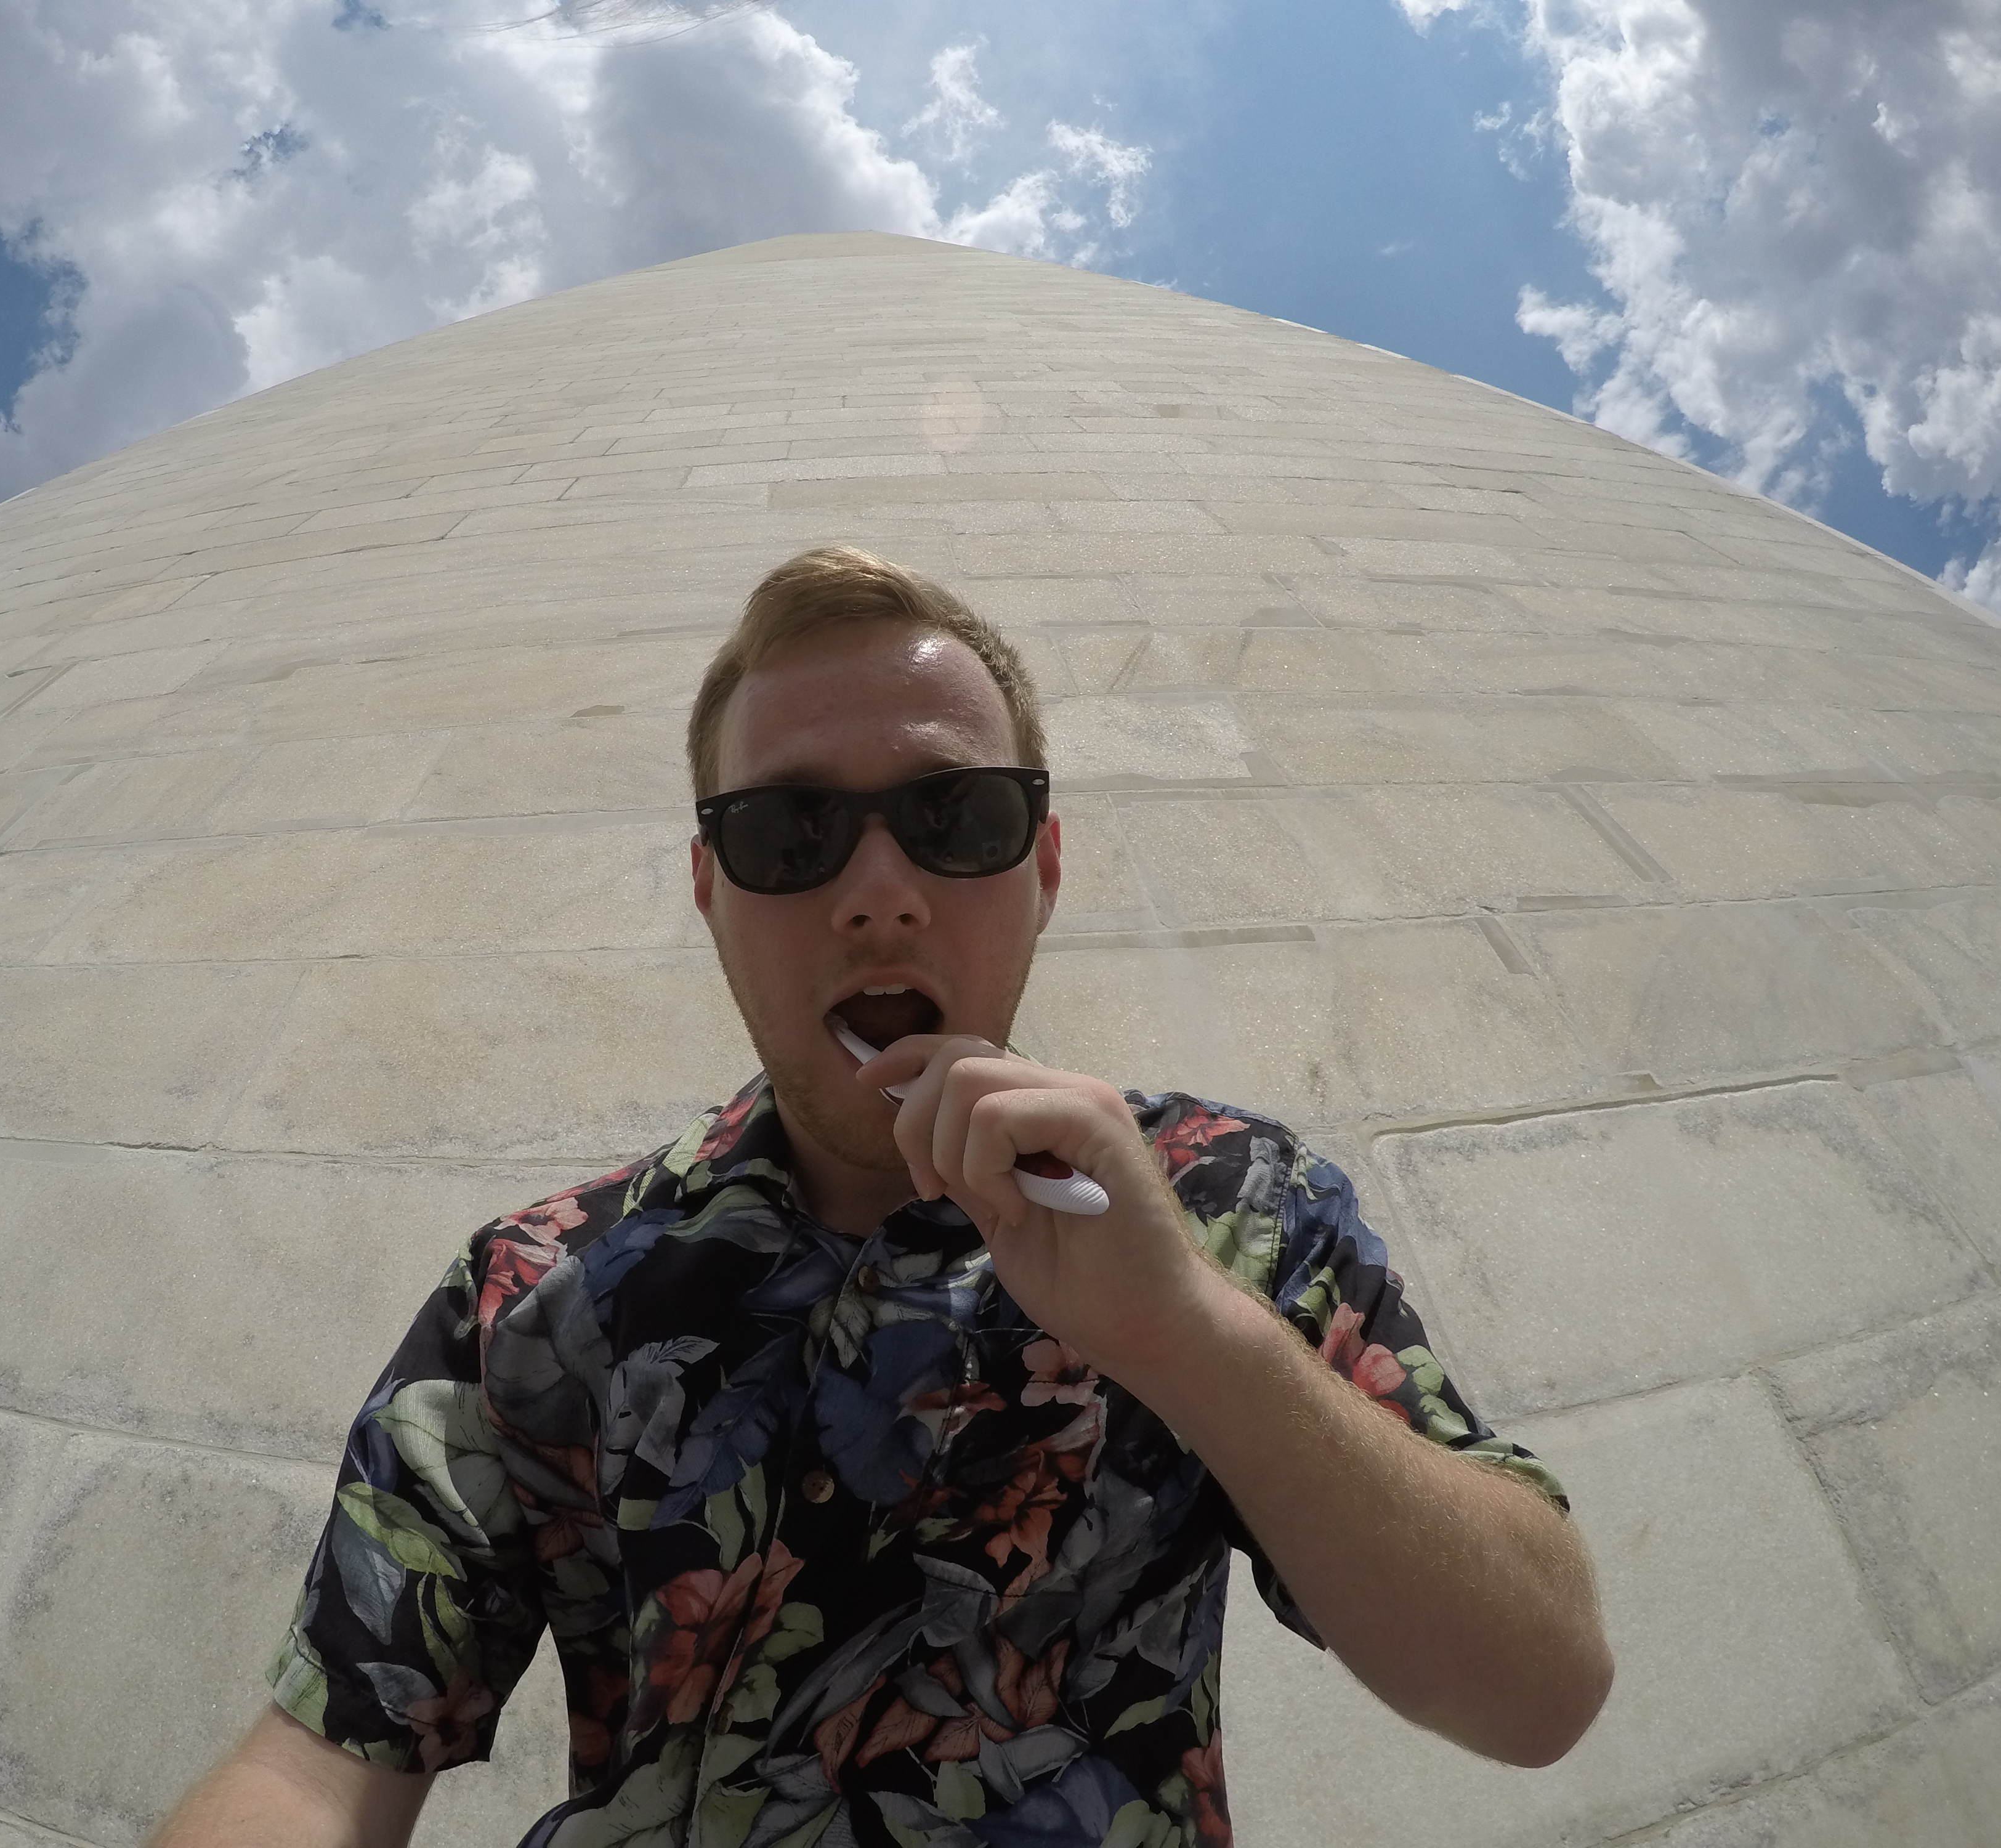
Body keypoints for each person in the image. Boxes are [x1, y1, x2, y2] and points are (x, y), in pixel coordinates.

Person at [152, 547, 1614, 1848]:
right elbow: (323, 1763)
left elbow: (1536, 1687)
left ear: (1042, 867)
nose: (876, 893)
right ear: (709, 890)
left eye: (952, 815)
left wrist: (1189, 1333)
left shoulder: (1227, 1202)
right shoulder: (534, 1287)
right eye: (789, 835)